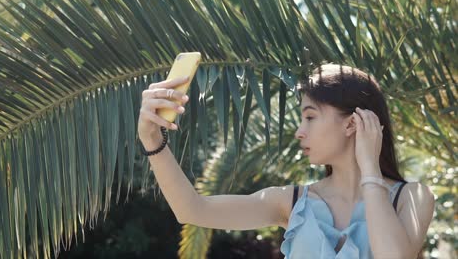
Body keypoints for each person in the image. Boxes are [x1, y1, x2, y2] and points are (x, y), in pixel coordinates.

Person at [137, 64, 435, 258]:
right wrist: (152, 139)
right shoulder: (292, 202)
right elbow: (192, 210)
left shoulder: (412, 198)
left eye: (310, 117)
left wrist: (370, 168)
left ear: (352, 124)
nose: (299, 131)